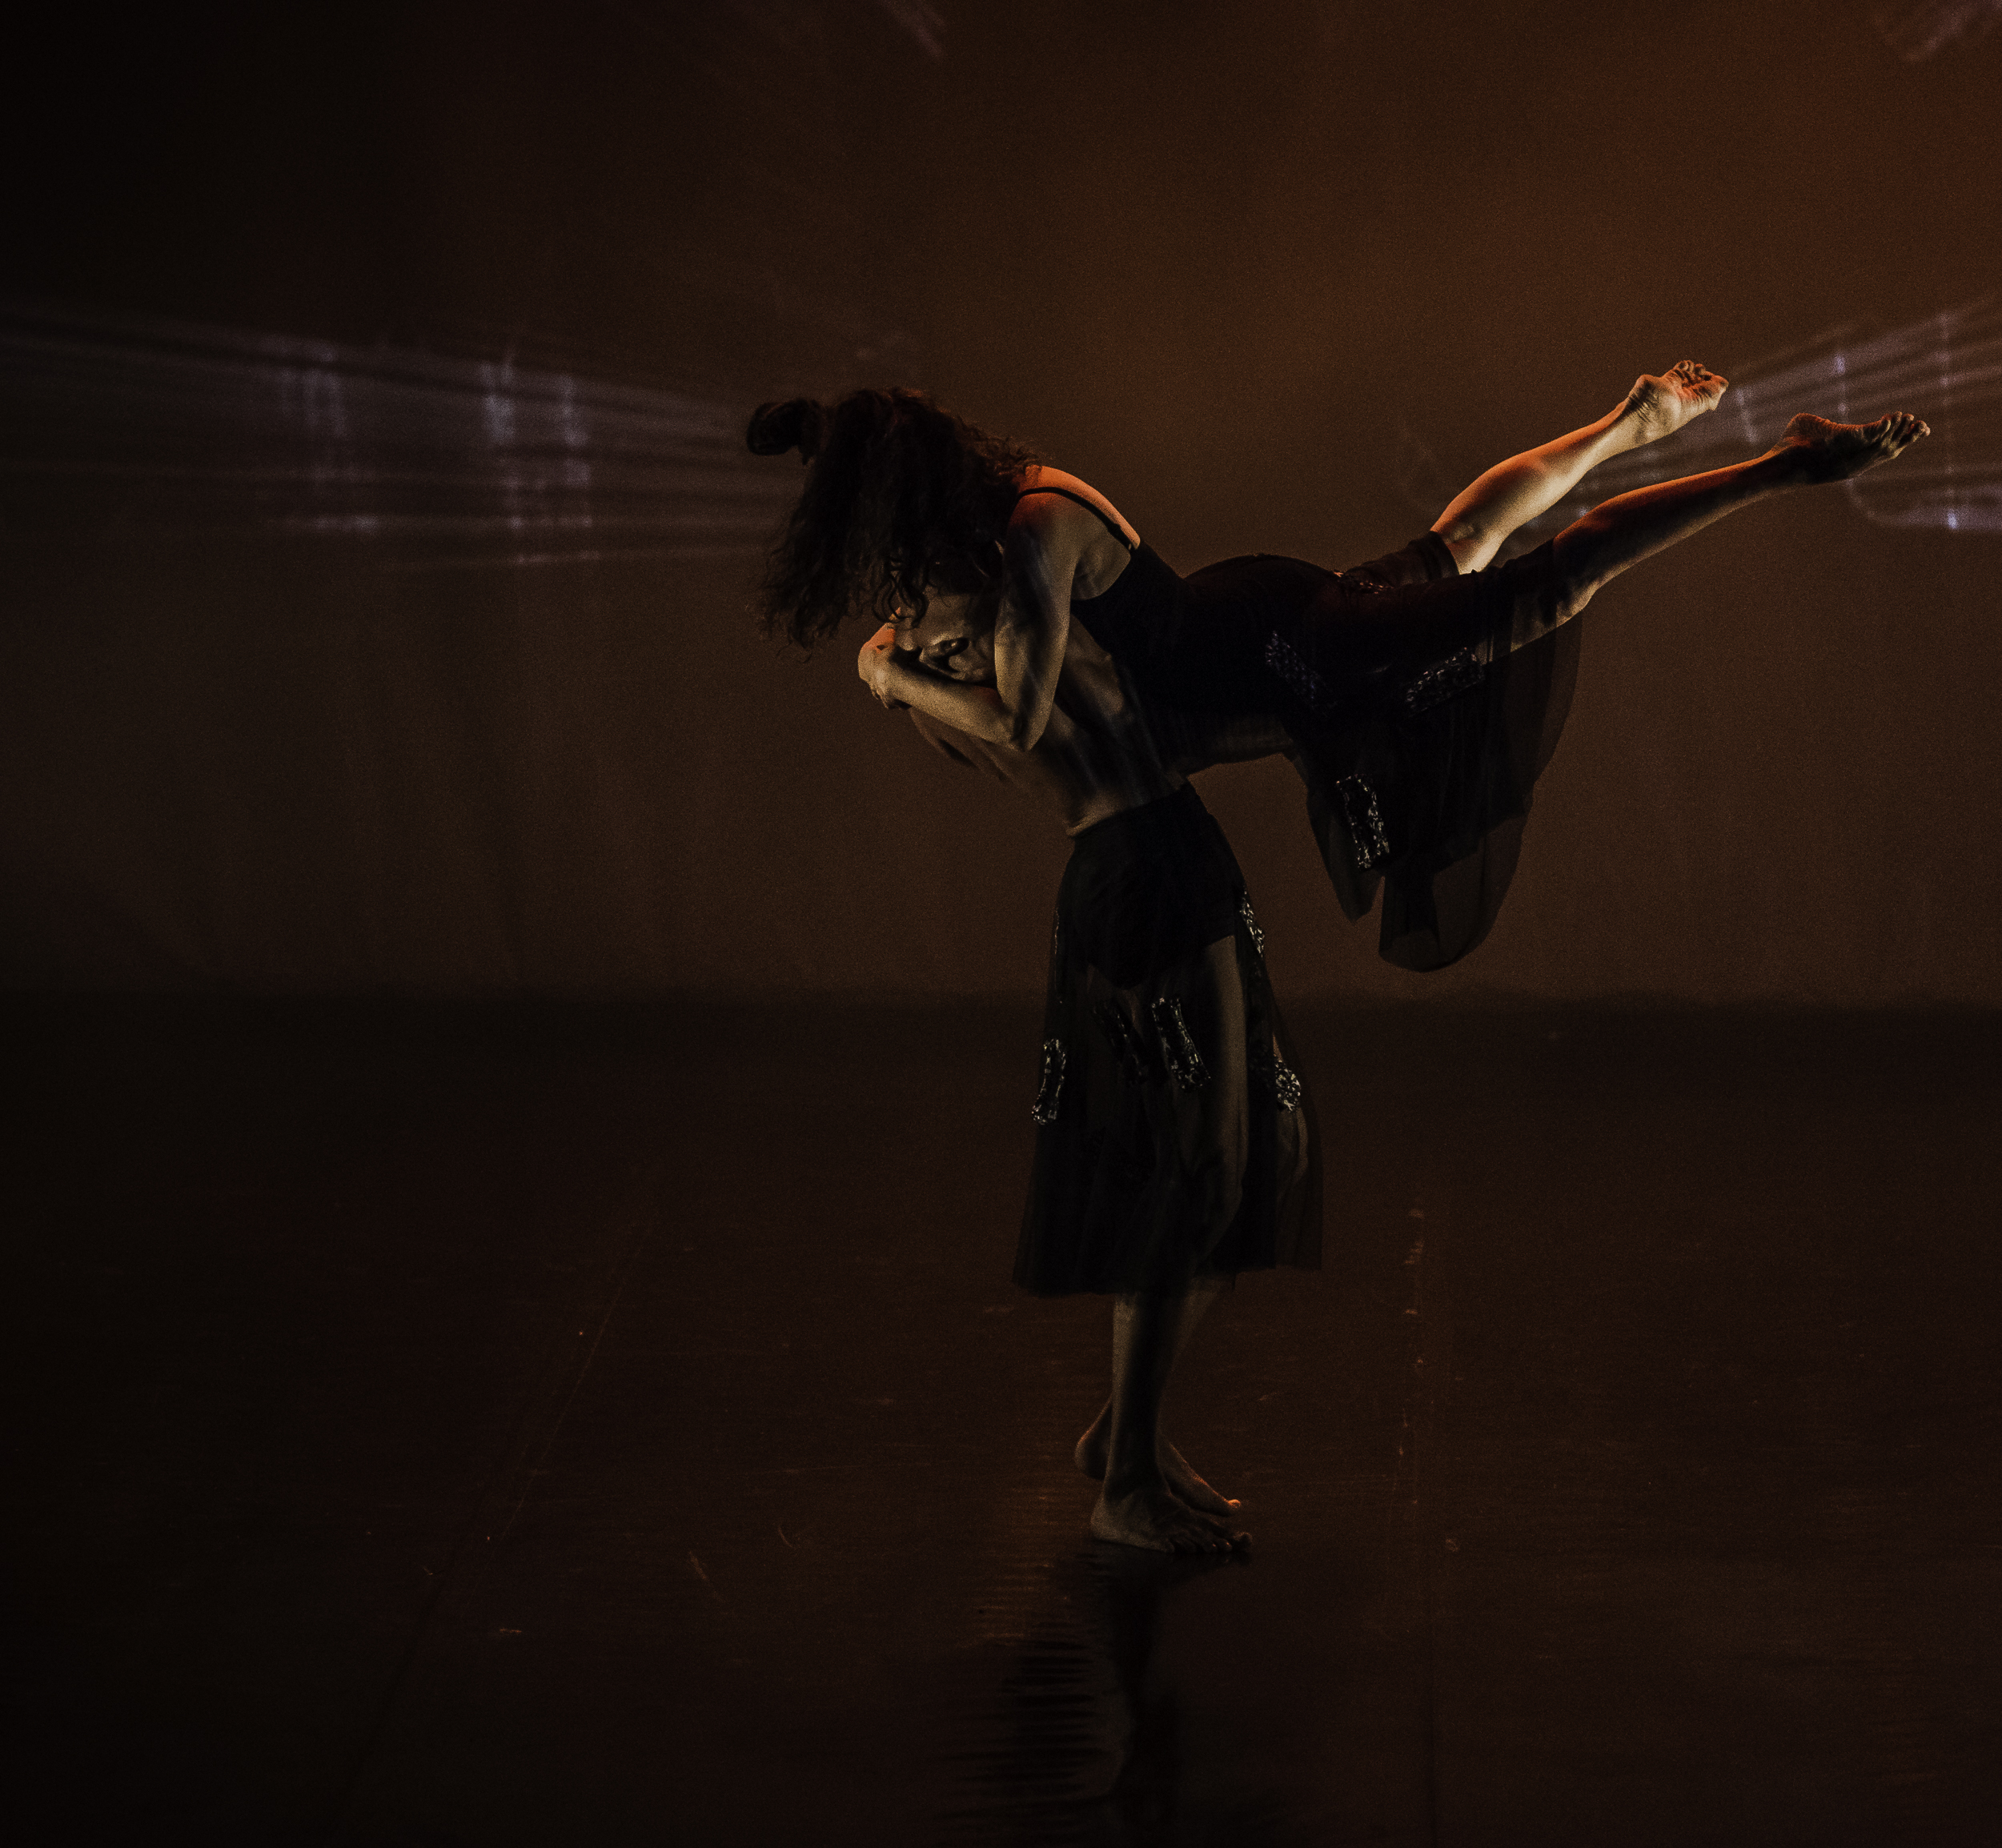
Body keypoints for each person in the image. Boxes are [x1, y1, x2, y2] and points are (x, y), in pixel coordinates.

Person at [747, 367, 1927, 1553]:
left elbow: (1012, 716)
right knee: (1470, 551)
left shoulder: (1014, 557)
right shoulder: (996, 565)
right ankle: (1661, 432)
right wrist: (904, 657)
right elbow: (1027, 717)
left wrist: (894, 670)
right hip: (1257, 666)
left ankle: (1770, 459)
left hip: (1287, 666)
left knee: (1536, 576)